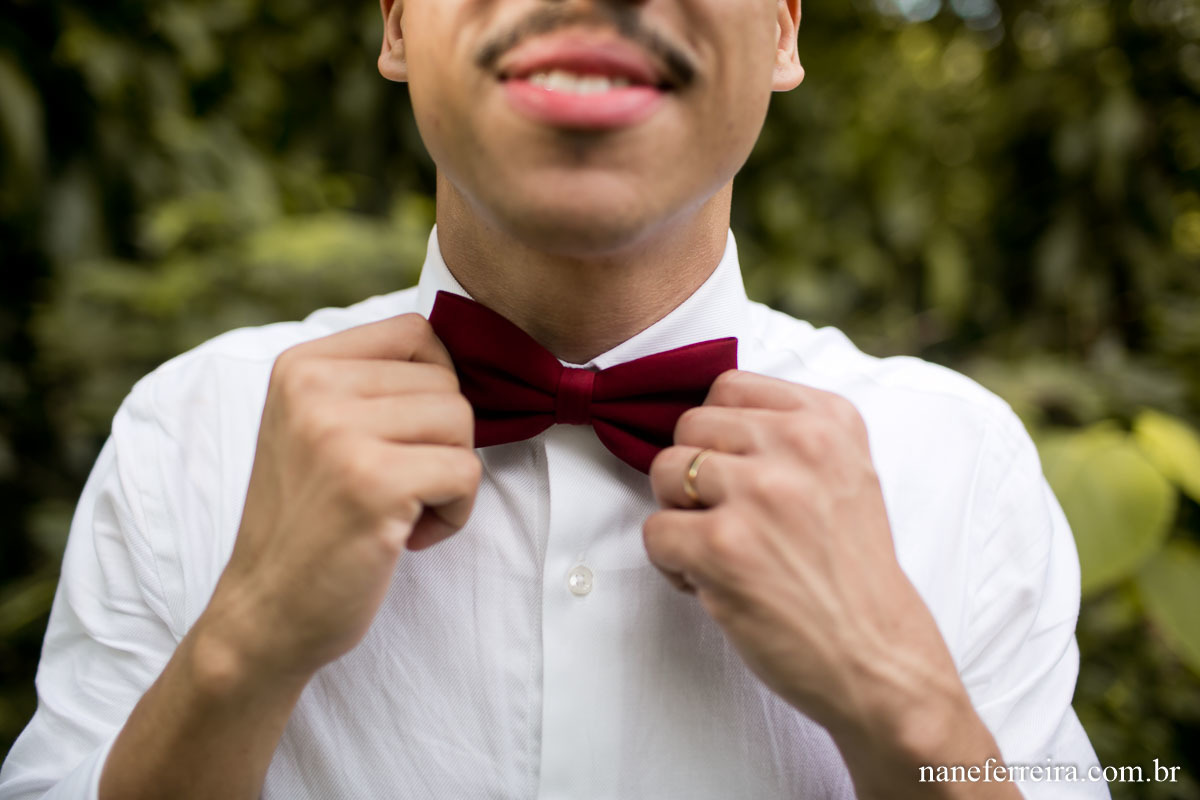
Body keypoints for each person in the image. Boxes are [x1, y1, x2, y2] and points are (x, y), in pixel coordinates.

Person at [0, 1, 1109, 798]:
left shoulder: (961, 462)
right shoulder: (185, 430)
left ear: (781, 30)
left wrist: (905, 707)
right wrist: (239, 649)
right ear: (395, 24)